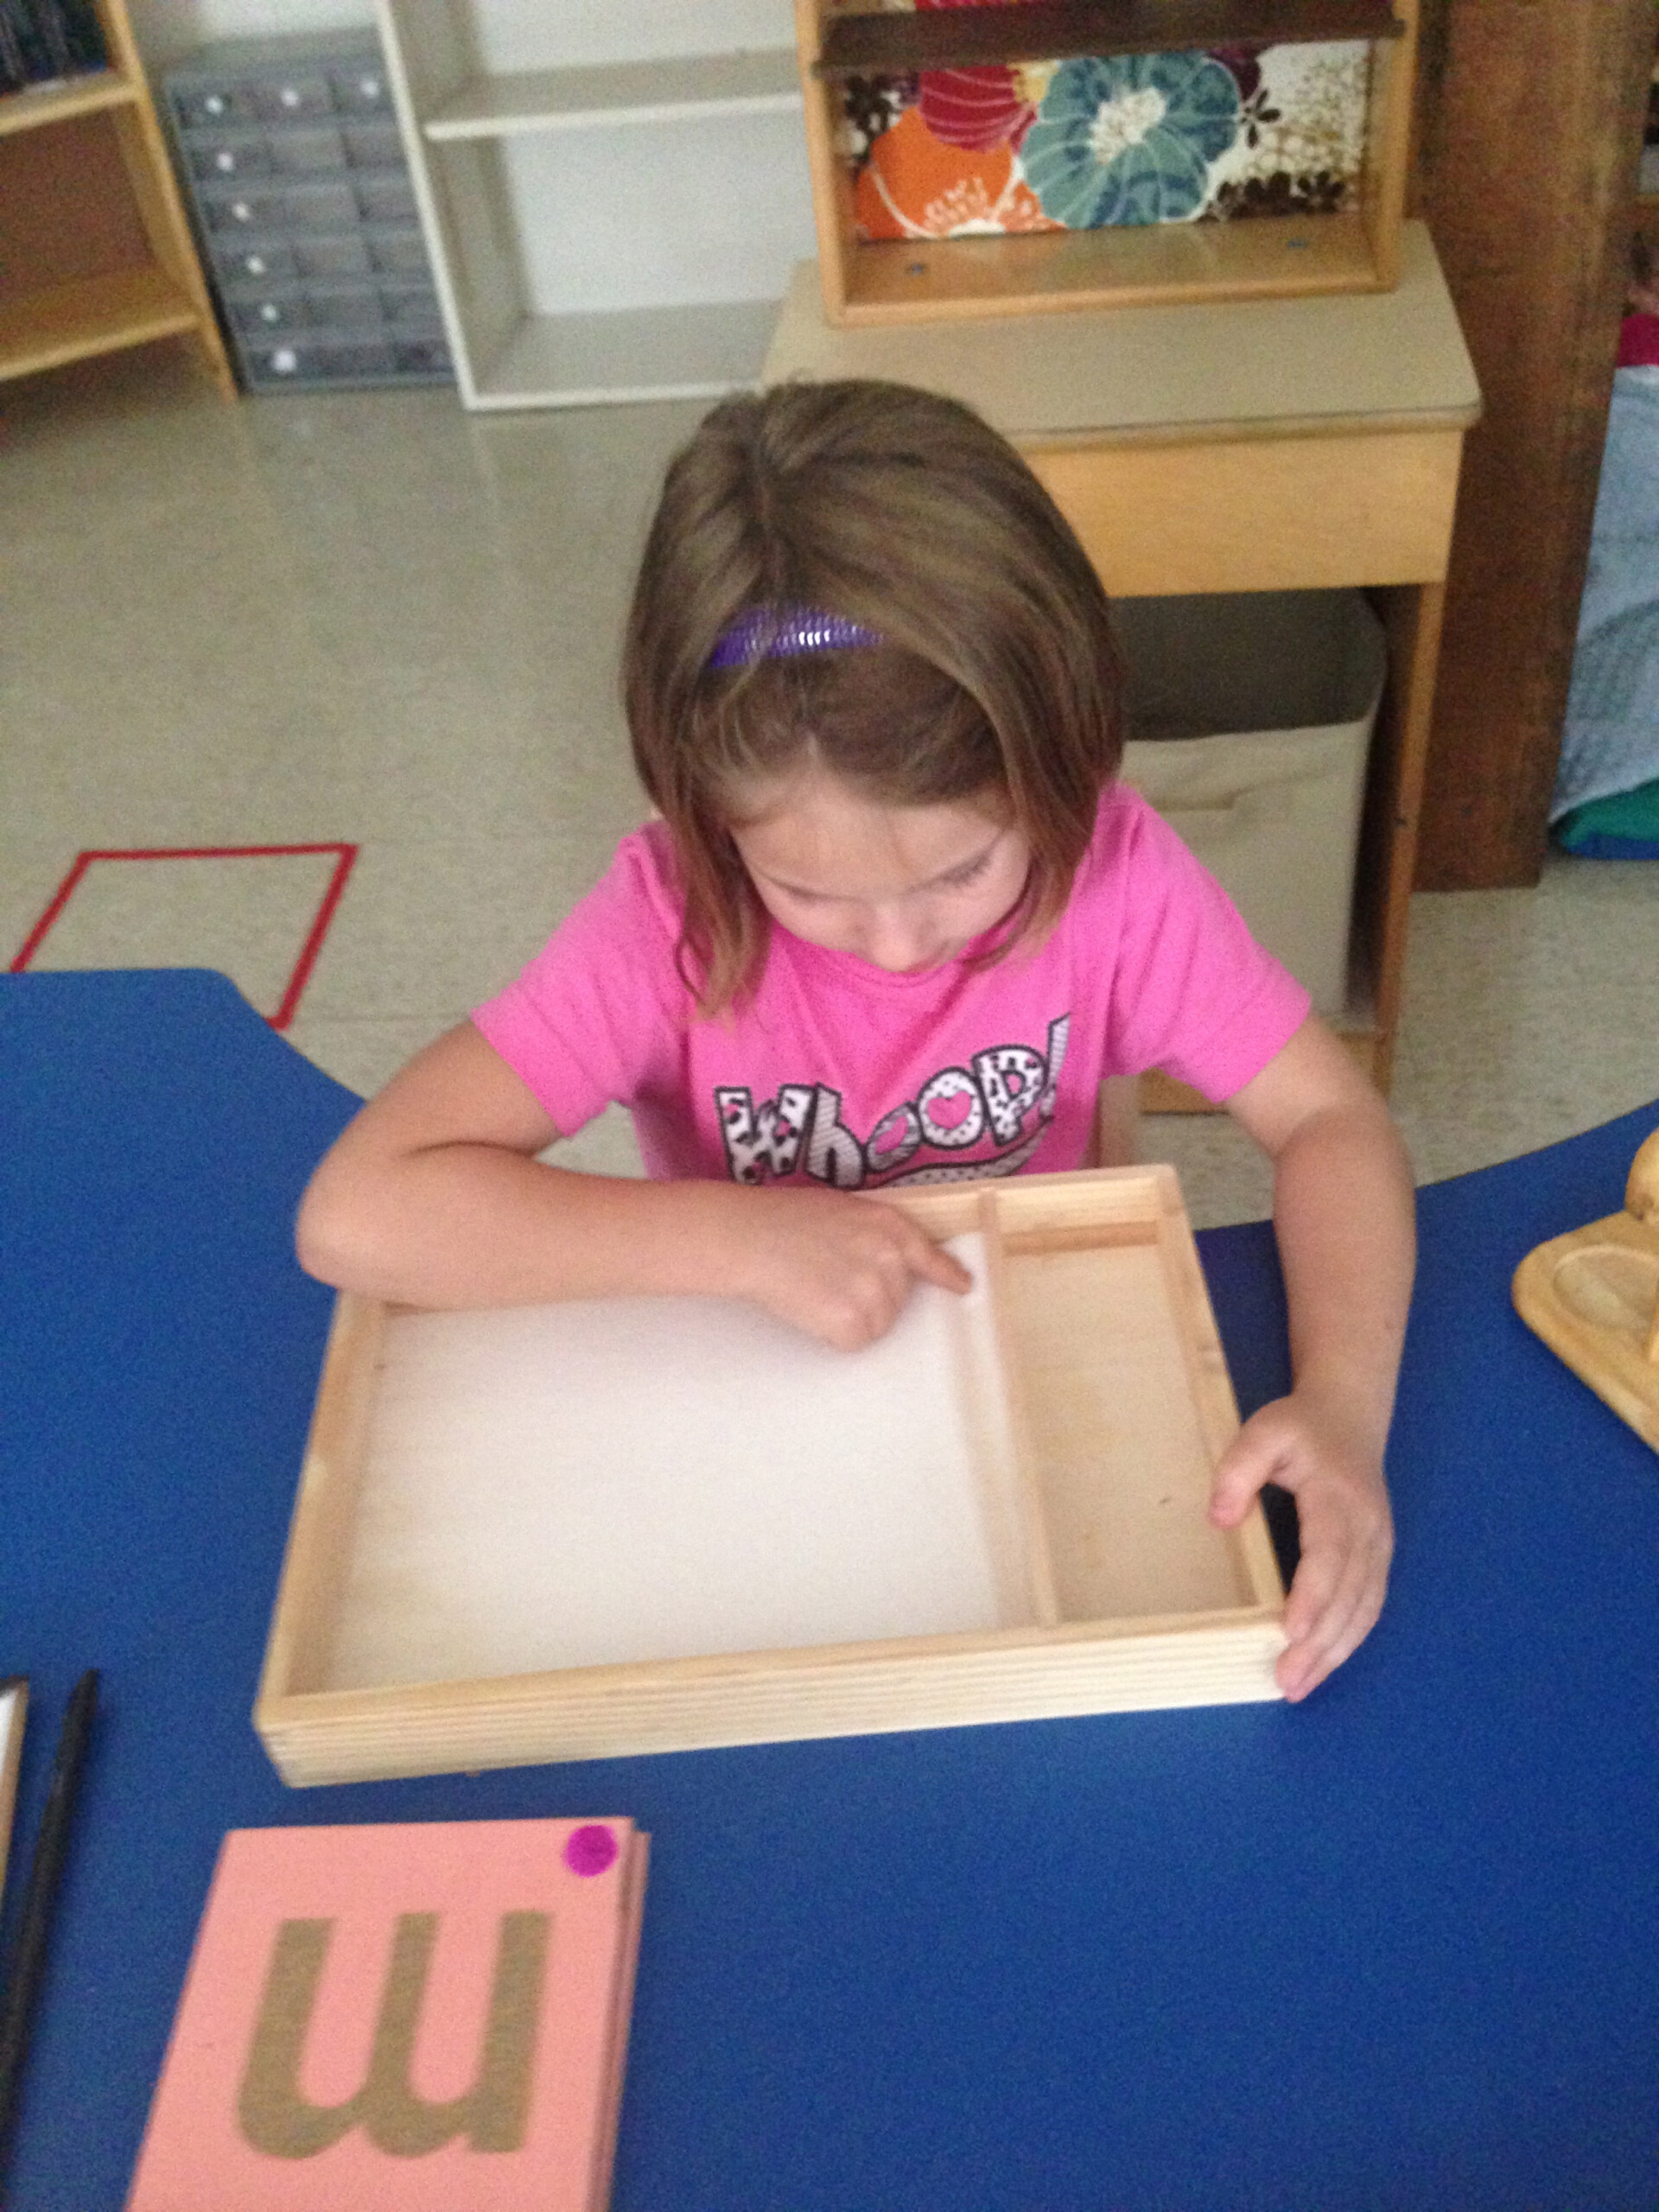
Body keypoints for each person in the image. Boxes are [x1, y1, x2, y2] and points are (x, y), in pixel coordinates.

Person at [297, 378, 1414, 1702]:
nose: (894, 947)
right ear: (706, 817)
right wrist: (738, 1236)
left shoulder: (1118, 878)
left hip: (1027, 1386)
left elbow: (1332, 1121)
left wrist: (1344, 1405)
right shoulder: (671, 920)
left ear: (1064, 770)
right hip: (756, 1413)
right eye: (811, 892)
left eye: (960, 872)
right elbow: (357, 1212)